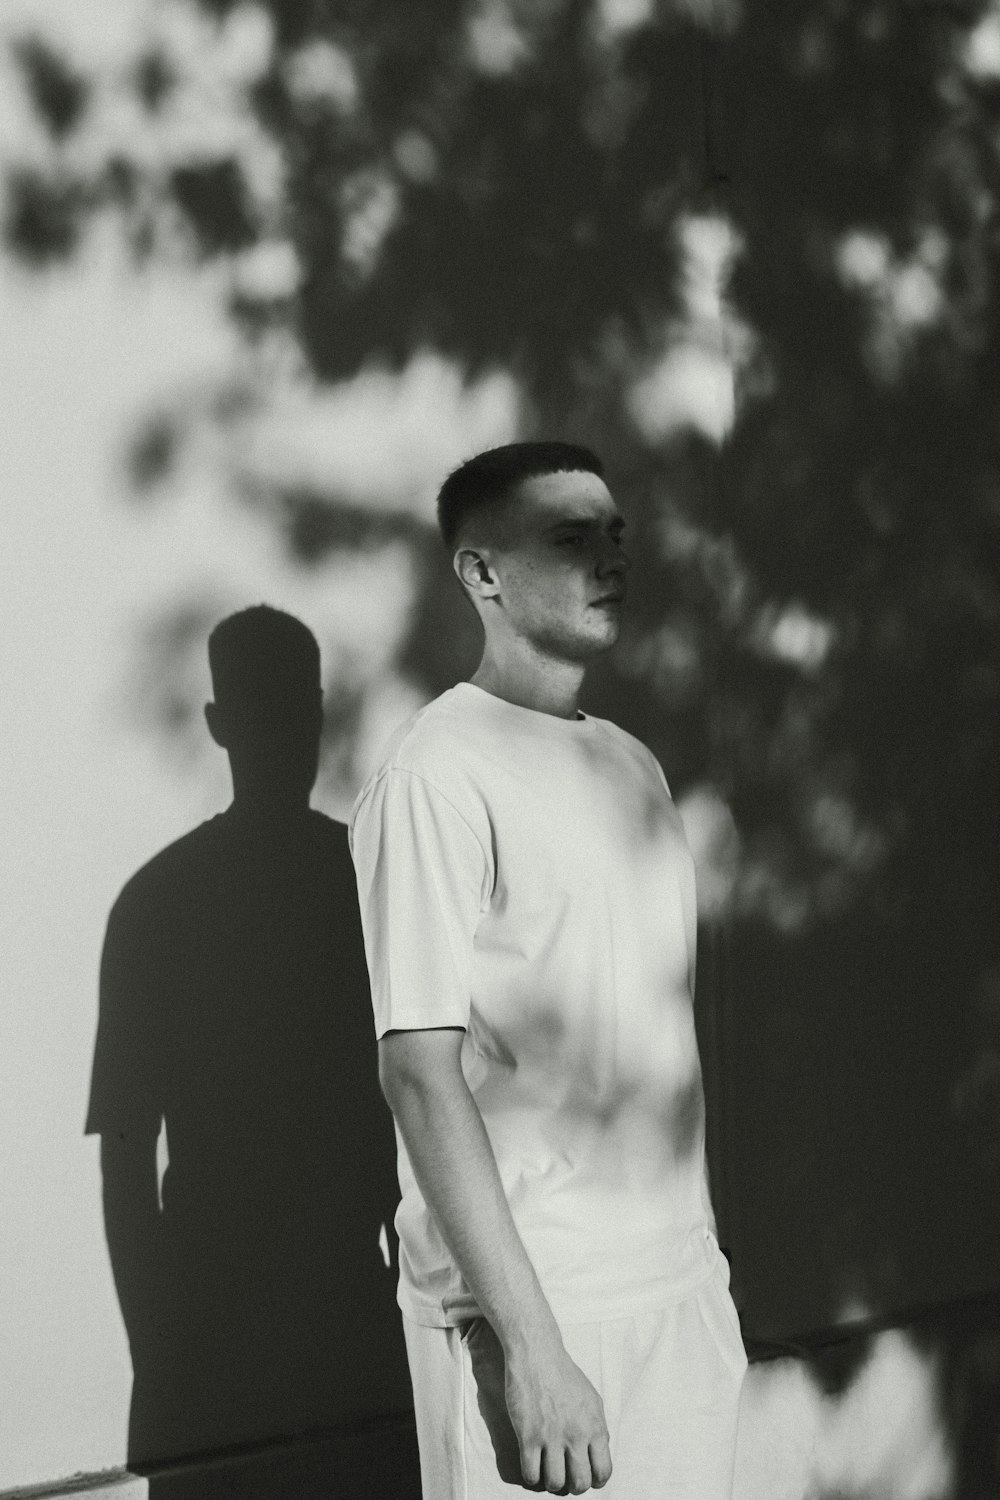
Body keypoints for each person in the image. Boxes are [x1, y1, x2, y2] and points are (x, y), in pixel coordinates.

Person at [349, 442, 747, 1498]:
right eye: (571, 539)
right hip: (535, 1313)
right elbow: (419, 1072)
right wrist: (531, 1348)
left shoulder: (629, 761)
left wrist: (702, 1280)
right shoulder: (434, 773)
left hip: (678, 1290)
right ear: (481, 573)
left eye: (614, 534)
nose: (611, 559)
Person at [86, 604, 410, 1468]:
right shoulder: (366, 889)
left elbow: (125, 1160)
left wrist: (160, 1360)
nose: (289, 734)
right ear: (225, 724)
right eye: (277, 709)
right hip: (323, 1344)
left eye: (292, 709)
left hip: (257, 1349)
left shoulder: (160, 903)